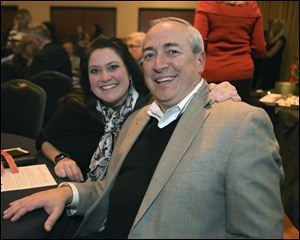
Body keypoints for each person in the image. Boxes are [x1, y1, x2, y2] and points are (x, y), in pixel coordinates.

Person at [3, 17, 283, 238]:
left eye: (171, 51)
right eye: (149, 55)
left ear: (200, 61)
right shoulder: (137, 120)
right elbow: (108, 190)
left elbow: (258, 233)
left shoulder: (240, 123)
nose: (159, 64)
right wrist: (67, 193)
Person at [36, 36, 240, 183]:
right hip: (78, 203)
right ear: (87, 80)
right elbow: (44, 139)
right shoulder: (77, 108)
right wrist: (60, 157)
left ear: (130, 71)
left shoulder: (153, 111)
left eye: (113, 67)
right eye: (95, 71)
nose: (105, 77)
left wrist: (216, 92)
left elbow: (190, 100)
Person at [194, 1, 266, 102]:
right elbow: (259, 48)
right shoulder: (252, 8)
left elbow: (197, 44)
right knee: (240, 115)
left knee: (211, 115)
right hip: (242, 73)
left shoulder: (207, 5)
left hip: (212, 72)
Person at [256, 19, 287, 90]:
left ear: (282, 28)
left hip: (273, 65)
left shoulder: (281, 39)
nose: (276, 27)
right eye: (275, 25)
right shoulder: (270, 37)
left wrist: (260, 50)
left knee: (269, 85)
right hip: (265, 64)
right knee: (261, 84)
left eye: (279, 26)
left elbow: (270, 54)